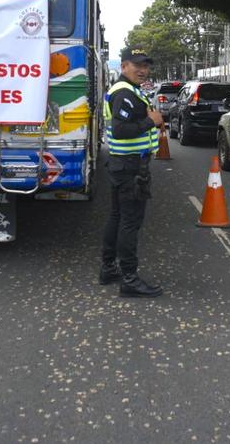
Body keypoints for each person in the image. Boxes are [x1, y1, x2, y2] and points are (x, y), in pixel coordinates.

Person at [99, 47, 164, 297]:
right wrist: (152, 121)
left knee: (117, 217)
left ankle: (108, 268)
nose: (143, 70)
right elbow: (121, 129)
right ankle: (129, 279)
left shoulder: (128, 90)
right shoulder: (124, 92)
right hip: (130, 167)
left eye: (146, 66)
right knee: (130, 222)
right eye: (137, 65)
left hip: (121, 164)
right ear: (124, 65)